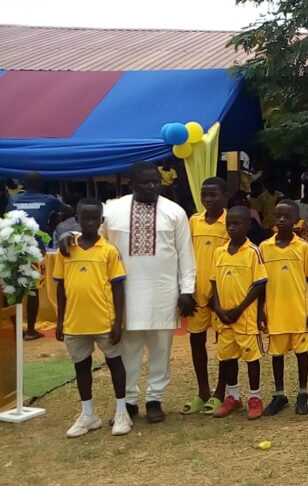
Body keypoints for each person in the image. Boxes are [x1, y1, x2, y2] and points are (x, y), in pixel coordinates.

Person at [59, 162, 196, 423]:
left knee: (161, 348)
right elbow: (92, 233)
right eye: (145, 182)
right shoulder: (113, 210)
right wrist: (70, 234)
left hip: (163, 292)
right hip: (125, 293)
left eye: (156, 181)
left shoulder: (175, 212)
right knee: (128, 348)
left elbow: (186, 253)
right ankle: (129, 401)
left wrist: (187, 289)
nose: (152, 186)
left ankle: (155, 399)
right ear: (131, 184)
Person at [54, 198, 132, 437]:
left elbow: (118, 287)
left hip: (104, 320)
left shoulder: (108, 251)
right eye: (84, 218)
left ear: (101, 220)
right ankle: (88, 414)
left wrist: (117, 321)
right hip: (75, 321)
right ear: (77, 218)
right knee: (81, 367)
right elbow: (60, 286)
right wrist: (60, 320)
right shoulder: (66, 250)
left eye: (94, 218)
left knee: (115, 363)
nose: (89, 222)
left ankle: (122, 412)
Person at [209, 206, 268, 419]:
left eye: (237, 223)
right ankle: (233, 396)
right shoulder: (219, 252)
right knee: (227, 358)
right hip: (224, 318)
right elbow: (214, 282)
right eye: (229, 224)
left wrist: (240, 308)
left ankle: (255, 397)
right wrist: (217, 308)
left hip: (245, 318)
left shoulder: (252, 251)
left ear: (248, 225)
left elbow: (259, 284)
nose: (232, 227)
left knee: (251, 358)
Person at [260, 200, 308, 416]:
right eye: (278, 216)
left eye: (287, 216)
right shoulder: (264, 247)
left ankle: (303, 393)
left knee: (302, 352)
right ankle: (279, 394)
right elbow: (260, 282)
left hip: (299, 311)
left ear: (296, 220)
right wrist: (260, 310)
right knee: (277, 354)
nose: (282, 220)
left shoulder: (302, 247)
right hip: (275, 311)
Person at [180, 177, 230, 416]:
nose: (208, 199)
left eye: (213, 194)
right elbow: (185, 254)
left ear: (225, 196)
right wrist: (186, 289)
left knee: (225, 344)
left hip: (221, 295)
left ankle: (221, 392)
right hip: (197, 293)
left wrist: (218, 294)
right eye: (204, 195)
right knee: (197, 340)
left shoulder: (230, 221)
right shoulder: (194, 221)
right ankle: (203, 391)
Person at [9, 172, 63, 340]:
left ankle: (15, 331)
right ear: (42, 185)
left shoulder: (13, 200)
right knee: (34, 289)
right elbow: (68, 210)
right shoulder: (50, 200)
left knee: (13, 290)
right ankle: (31, 331)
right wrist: (52, 223)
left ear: (23, 184)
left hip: (13, 249)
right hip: (36, 251)